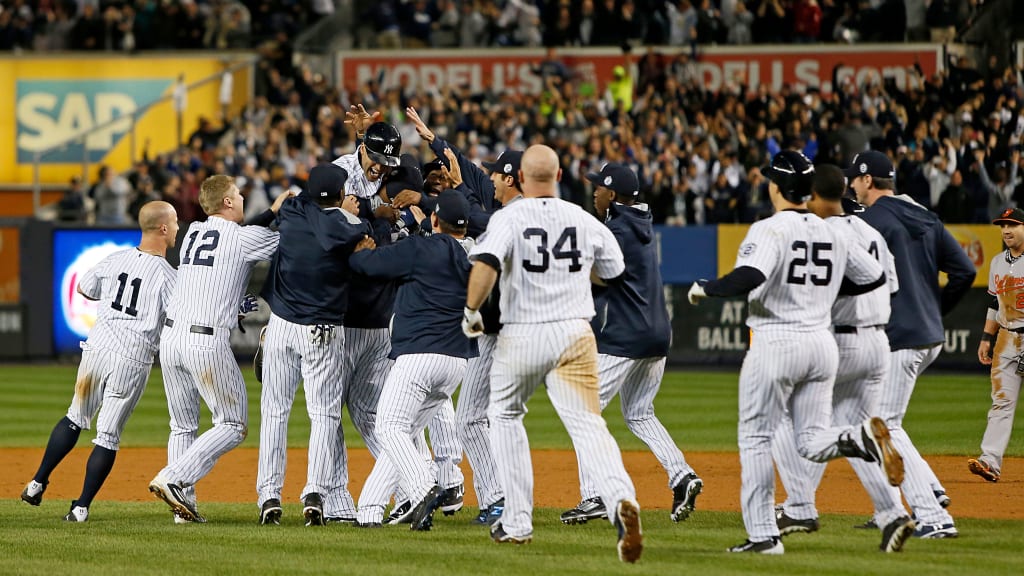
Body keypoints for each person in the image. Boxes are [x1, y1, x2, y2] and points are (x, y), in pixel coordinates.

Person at [688, 150, 902, 555]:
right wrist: (821, 291)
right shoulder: (833, 231)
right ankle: (857, 436)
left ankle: (763, 536)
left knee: (755, 438)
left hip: (777, 342)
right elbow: (872, 277)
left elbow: (752, 275)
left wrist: (707, 287)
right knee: (810, 440)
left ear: (775, 187)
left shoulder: (770, 229)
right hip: (821, 345)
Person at [463, 144, 643, 563]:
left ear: (522, 179)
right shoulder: (583, 219)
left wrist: (472, 310)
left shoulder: (509, 217)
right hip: (575, 333)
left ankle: (517, 521)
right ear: (559, 176)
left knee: (505, 416)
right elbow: (612, 273)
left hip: (522, 333)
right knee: (588, 424)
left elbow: (486, 262)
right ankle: (621, 498)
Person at [770, 164, 916, 553]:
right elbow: (892, 285)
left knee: (780, 414)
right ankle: (892, 514)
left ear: (815, 196)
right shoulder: (871, 232)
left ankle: (800, 506)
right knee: (852, 434)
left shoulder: (822, 232)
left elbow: (816, 294)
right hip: (878, 344)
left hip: (842, 342)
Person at [562, 162, 703, 526]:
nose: (593, 192)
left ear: (612, 194)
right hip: (658, 334)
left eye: (598, 187)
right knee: (639, 413)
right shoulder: (639, 224)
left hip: (627, 336)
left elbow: (595, 276)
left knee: (581, 410)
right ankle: (682, 475)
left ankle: (592, 495)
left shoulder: (618, 230)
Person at [21, 201, 179, 522]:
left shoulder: (116, 258)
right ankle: (80, 508)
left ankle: (37, 482)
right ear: (163, 228)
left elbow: (85, 287)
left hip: (97, 347)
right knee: (107, 436)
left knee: (74, 417)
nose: (177, 228)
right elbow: (181, 316)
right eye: (175, 222)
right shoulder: (168, 276)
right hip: (132, 357)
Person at [850, 150, 976, 539]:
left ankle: (933, 515)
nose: (852, 185)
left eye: (855, 179)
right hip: (928, 334)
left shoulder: (867, 223)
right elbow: (964, 270)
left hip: (899, 336)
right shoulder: (924, 214)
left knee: (884, 425)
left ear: (869, 181)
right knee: (876, 417)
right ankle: (923, 492)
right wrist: (935, 311)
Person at [148, 175, 283, 522]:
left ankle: (183, 507)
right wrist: (282, 212)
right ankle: (174, 478)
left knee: (182, 426)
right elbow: (286, 241)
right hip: (204, 341)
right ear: (226, 202)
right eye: (237, 194)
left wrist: (268, 213)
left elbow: (242, 234)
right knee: (233, 423)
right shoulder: (242, 239)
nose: (241, 199)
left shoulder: (193, 231)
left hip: (172, 339)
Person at [349, 189, 479, 530]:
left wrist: (360, 252)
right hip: (456, 363)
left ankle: (424, 487)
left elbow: (370, 266)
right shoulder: (471, 256)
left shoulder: (420, 247)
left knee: (388, 427)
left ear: (435, 218)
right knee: (402, 434)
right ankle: (369, 510)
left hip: (419, 355)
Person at [255, 164, 372, 526]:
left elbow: (297, 202)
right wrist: (353, 214)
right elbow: (357, 230)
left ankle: (269, 496)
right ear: (340, 196)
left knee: (275, 412)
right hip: (322, 330)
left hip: (281, 326)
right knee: (324, 415)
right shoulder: (351, 226)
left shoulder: (291, 212)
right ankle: (315, 494)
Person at [970, 207, 1024, 483]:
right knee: (1001, 402)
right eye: (1003, 225)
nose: (1006, 230)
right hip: (1006, 338)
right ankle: (989, 461)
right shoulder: (996, 262)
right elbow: (995, 302)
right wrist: (986, 337)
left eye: (1013, 224)